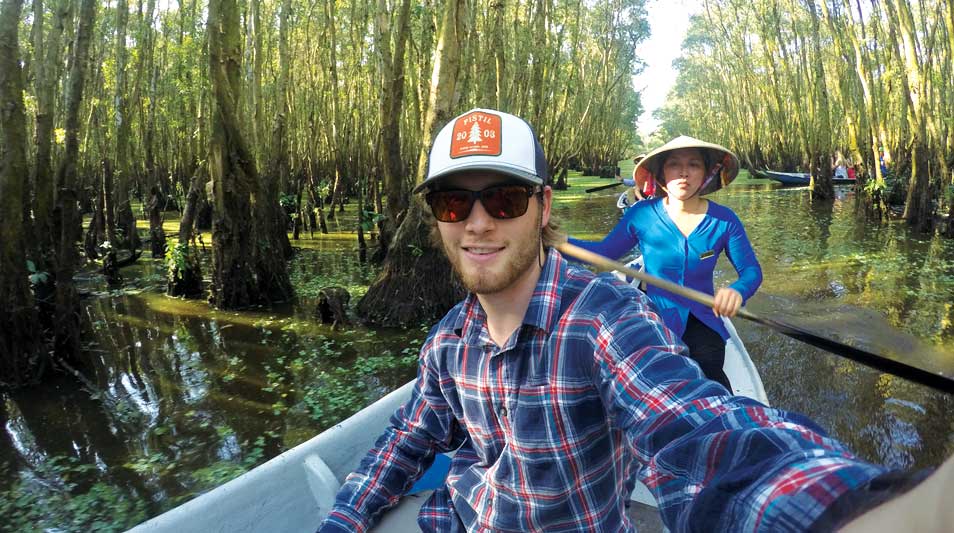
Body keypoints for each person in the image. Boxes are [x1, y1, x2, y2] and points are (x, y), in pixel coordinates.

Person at [318, 108, 953, 533]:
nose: (479, 222)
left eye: (505, 199)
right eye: (455, 201)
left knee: (708, 396)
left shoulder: (606, 319)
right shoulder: (448, 339)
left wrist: (860, 513)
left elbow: (693, 427)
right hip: (463, 517)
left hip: (689, 325)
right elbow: (410, 435)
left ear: (541, 207)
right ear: (436, 218)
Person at [568, 136, 760, 390]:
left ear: (705, 173)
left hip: (703, 319)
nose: (683, 173)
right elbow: (604, 253)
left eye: (693, 165)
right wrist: (561, 242)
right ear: (661, 173)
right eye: (674, 165)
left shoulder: (724, 220)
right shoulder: (642, 214)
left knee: (708, 374)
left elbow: (751, 271)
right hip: (654, 319)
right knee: (651, 379)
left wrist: (738, 290)